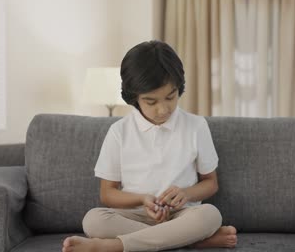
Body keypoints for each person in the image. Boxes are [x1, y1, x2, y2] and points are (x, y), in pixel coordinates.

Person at [62, 40, 237, 252]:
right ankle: (191, 240)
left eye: (170, 97)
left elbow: (210, 183)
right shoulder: (119, 132)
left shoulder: (196, 126)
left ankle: (114, 246)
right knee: (93, 220)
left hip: (182, 214)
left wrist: (187, 194)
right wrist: (143, 199)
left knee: (210, 215)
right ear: (134, 98)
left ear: (178, 88)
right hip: (136, 214)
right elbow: (107, 194)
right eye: (151, 102)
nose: (163, 109)